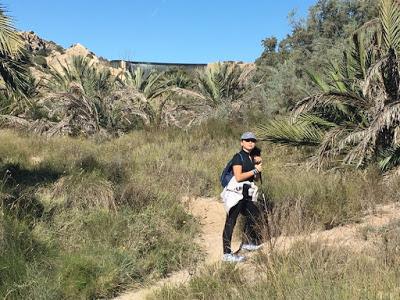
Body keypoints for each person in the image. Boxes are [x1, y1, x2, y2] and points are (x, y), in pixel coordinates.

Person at [221, 132, 263, 262]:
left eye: (252, 141)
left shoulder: (252, 158)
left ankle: (247, 242)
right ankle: (227, 253)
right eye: (247, 140)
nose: (250, 142)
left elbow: (255, 178)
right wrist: (255, 170)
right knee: (231, 221)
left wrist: (257, 167)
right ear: (242, 142)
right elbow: (238, 177)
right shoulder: (238, 157)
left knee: (255, 214)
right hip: (236, 193)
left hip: (246, 193)